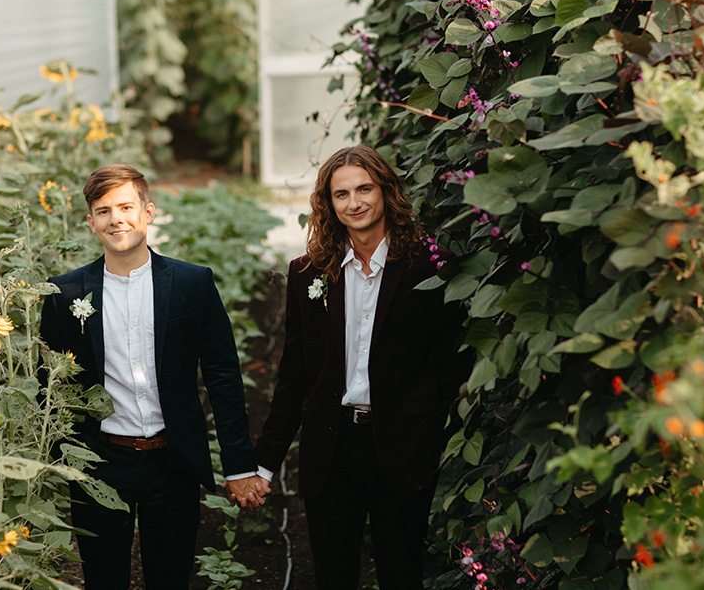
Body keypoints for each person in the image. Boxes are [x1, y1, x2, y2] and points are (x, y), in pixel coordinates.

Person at [245, 145, 466, 589]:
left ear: (386, 191)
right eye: (341, 194)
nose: (355, 202)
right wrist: (264, 463)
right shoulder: (308, 273)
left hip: (403, 446)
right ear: (329, 204)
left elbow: (451, 366)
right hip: (332, 447)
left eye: (364, 189)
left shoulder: (428, 266)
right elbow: (294, 376)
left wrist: (430, 433)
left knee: (402, 573)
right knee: (332, 574)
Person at [38, 164, 263, 589]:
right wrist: (60, 460)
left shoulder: (191, 284)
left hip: (172, 458)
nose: (116, 219)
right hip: (100, 461)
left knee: (170, 577)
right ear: (90, 223)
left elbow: (223, 376)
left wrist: (239, 465)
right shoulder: (65, 294)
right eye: (103, 211)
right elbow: (49, 381)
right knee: (103, 578)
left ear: (148, 211)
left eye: (126, 206)